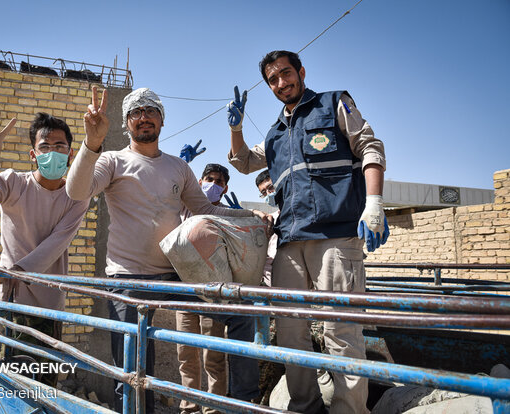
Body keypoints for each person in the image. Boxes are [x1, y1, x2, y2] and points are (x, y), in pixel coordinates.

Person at [66, 86, 271, 413]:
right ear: (126, 123)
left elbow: (208, 209)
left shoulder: (178, 167)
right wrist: (91, 144)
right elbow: (76, 191)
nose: (143, 117)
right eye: (136, 112)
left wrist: (250, 214)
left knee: (240, 311)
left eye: (150, 111)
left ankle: (242, 402)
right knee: (132, 372)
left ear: (162, 120)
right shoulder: (113, 161)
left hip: (174, 276)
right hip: (128, 281)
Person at [226, 50, 389, 414]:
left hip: (335, 236)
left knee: (341, 330)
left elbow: (370, 146)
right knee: (289, 332)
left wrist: (374, 204)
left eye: (286, 73)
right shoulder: (274, 135)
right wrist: (235, 128)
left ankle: (349, 410)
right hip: (289, 242)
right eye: (273, 79)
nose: (282, 82)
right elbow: (242, 162)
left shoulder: (334, 104)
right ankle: (305, 406)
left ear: (300, 72)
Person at [0, 111, 90, 387]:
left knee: (44, 386)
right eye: (45, 147)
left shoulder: (76, 196)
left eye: (60, 147)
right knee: (8, 384)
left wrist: (14, 273)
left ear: (71, 155)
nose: (53, 153)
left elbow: (56, 243)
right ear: (33, 155)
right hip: (10, 304)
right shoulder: (12, 183)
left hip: (49, 308)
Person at [177, 163, 231, 414]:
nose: (213, 184)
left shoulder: (227, 215)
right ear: (199, 182)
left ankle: (213, 409)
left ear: (225, 188)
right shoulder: (184, 206)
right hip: (184, 290)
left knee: (214, 356)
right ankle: (189, 407)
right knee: (186, 353)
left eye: (219, 182)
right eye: (209, 179)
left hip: (212, 292)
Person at [255, 169, 279, 287]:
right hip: (269, 273)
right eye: (264, 192)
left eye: (271, 188)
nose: (269, 194)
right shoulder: (271, 219)